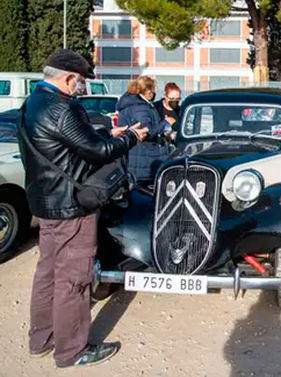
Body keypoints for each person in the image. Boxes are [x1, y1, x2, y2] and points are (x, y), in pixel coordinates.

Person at [18, 49, 148, 368]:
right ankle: (72, 351)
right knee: (73, 278)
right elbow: (99, 151)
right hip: (72, 206)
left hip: (46, 202)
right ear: (68, 78)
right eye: (80, 81)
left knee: (47, 273)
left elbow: (70, 142)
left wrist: (107, 131)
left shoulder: (32, 103)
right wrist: (131, 137)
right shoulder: (63, 109)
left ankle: (42, 339)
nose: (81, 87)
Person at [117, 76, 175, 183]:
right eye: (152, 90)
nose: (153, 93)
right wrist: (166, 123)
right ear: (147, 90)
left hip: (140, 159)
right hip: (144, 161)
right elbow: (147, 130)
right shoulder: (140, 107)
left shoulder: (137, 104)